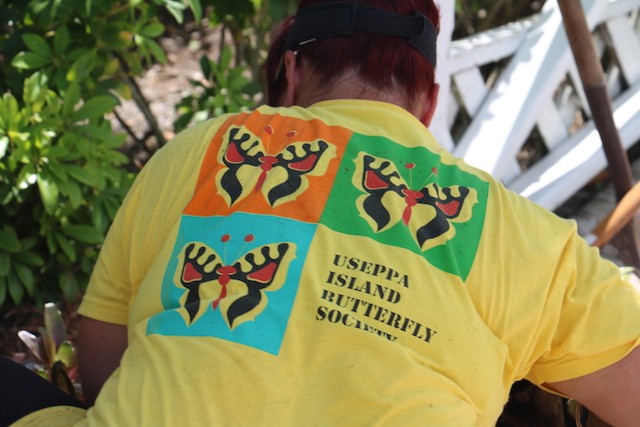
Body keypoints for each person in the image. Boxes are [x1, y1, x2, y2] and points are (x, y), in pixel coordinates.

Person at [2, 0, 640, 425]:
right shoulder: (525, 238)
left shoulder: (201, 150)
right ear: (428, 102)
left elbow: (104, 362)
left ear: (291, 71)